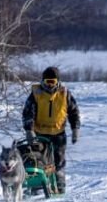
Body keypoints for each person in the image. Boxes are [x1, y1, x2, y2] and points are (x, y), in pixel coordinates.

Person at [22, 66, 80, 195]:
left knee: (58, 159)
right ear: (42, 81)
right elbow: (28, 113)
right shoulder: (36, 94)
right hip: (39, 133)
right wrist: (29, 130)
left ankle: (59, 184)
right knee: (38, 158)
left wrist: (75, 129)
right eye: (47, 82)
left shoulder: (64, 94)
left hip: (58, 132)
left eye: (52, 82)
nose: (49, 85)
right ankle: (37, 185)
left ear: (57, 82)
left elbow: (74, 112)